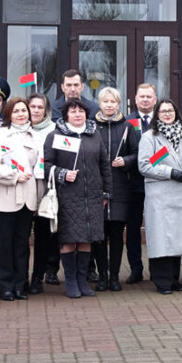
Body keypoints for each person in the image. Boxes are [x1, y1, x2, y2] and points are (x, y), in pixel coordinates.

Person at [44, 99, 113, 299]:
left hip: (92, 196)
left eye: (81, 111)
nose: (77, 114)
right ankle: (71, 281)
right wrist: (63, 174)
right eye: (73, 111)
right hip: (67, 196)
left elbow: (104, 165)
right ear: (66, 115)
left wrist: (107, 193)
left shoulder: (95, 135)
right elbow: (46, 165)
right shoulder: (55, 136)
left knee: (86, 238)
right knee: (69, 239)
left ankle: (82, 281)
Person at [138, 99, 182, 294]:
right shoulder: (150, 137)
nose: (167, 114)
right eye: (163, 111)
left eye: (170, 111)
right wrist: (171, 172)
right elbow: (145, 165)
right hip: (161, 196)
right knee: (162, 239)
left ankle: (174, 279)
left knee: (178, 239)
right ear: (157, 114)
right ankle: (161, 281)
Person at [0, 97, 43, 301]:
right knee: (4, 245)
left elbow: (39, 166)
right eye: (16, 111)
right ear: (9, 114)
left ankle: (20, 284)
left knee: (22, 244)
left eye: (23, 111)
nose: (21, 114)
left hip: (28, 197)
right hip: (5, 197)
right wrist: (14, 176)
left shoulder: (35, 136)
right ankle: (5, 286)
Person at [93, 87, 138, 292]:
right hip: (97, 187)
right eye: (106, 101)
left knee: (117, 235)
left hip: (121, 188)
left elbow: (137, 154)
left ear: (119, 104)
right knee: (100, 236)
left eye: (113, 101)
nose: (109, 105)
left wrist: (126, 161)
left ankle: (114, 277)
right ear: (100, 104)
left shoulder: (128, 127)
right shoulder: (92, 127)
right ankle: (102, 277)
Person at [124, 82, 157, 284]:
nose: (145, 100)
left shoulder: (162, 121)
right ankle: (136, 269)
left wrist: (149, 163)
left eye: (148, 96)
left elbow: (166, 150)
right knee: (133, 229)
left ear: (155, 99)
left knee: (156, 228)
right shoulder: (126, 122)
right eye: (141, 96)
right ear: (135, 100)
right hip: (133, 184)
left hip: (157, 183)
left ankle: (156, 269)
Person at [27, 92, 60, 292]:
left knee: (44, 234)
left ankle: (40, 275)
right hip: (22, 187)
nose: (36, 110)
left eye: (40, 107)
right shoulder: (18, 129)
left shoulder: (55, 130)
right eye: (33, 107)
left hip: (46, 188)